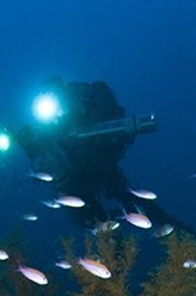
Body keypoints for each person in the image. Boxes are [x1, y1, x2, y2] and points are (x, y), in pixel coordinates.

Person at [12, 78, 181, 231]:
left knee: (132, 199)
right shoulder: (50, 127)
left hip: (100, 163)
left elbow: (96, 125)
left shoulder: (80, 102)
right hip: (77, 175)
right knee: (95, 218)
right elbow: (42, 154)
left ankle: (177, 234)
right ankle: (113, 250)